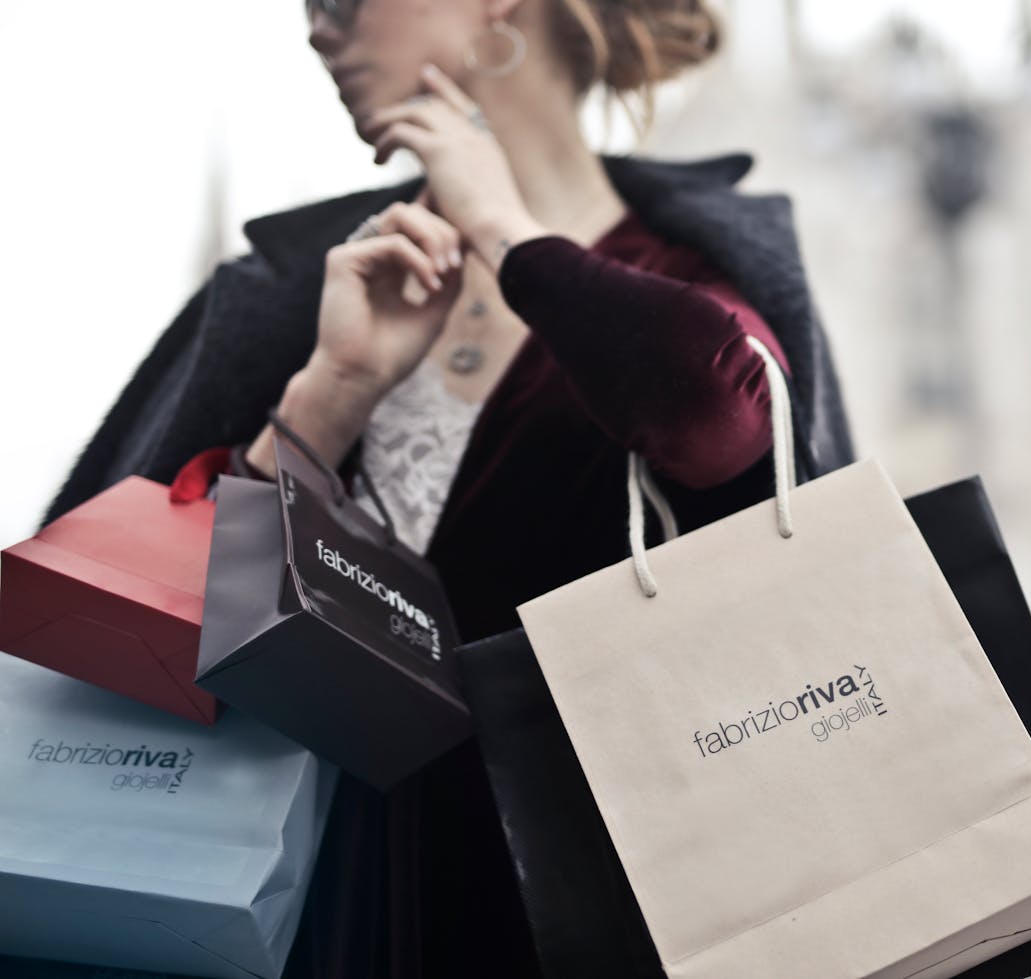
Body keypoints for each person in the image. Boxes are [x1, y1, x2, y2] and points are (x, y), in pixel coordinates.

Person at [41, 0, 853, 975]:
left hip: (569, 924)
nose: (315, 31)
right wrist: (331, 393)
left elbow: (718, 417)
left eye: (340, 3)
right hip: (289, 916)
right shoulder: (300, 291)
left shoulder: (690, 283)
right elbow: (142, 630)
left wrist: (508, 233)